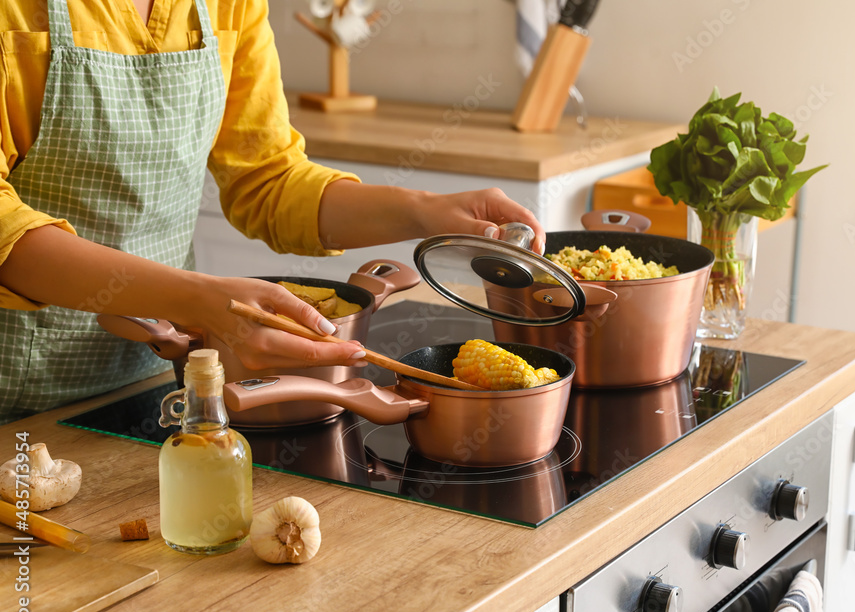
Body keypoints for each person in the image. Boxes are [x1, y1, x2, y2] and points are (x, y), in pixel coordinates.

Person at [0, 0, 545, 424]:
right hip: (17, 401)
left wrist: (423, 211)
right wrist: (197, 299)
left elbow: (268, 180)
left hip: (161, 378)